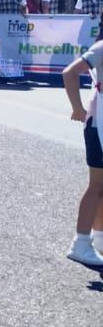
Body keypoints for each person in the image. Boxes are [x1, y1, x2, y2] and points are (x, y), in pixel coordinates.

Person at [62, 34, 103, 270]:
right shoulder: (101, 47)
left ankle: (98, 238)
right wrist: (76, 107)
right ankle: (80, 243)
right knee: (96, 185)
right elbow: (69, 72)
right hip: (98, 123)